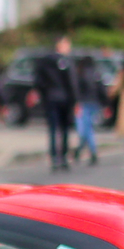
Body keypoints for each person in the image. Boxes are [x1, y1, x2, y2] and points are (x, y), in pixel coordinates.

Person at [29, 36, 79, 171]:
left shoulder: (44, 61)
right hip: (65, 99)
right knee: (64, 129)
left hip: (50, 98)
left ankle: (53, 157)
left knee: (52, 129)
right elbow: (72, 82)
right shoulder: (66, 62)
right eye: (67, 44)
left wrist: (44, 93)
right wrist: (75, 100)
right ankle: (63, 157)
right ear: (60, 45)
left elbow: (38, 80)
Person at [71, 48, 105, 166]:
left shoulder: (80, 73)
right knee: (89, 129)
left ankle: (83, 151)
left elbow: (76, 90)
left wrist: (76, 102)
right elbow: (102, 90)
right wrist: (105, 104)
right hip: (94, 104)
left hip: (83, 104)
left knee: (84, 130)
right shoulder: (96, 74)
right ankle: (88, 151)